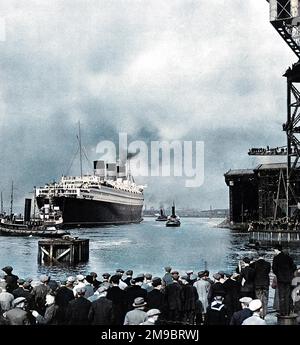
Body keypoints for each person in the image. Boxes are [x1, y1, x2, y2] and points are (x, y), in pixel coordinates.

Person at [272, 244, 297, 316]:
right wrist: (289, 274)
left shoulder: (276, 258)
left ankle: (282, 313)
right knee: (288, 296)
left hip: (281, 280)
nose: (274, 251)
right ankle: (288, 312)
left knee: (281, 296)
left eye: (274, 250)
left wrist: (279, 275)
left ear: (277, 249)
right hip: (289, 279)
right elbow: (293, 268)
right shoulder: (288, 257)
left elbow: (274, 269)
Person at [252, 252, 271, 318]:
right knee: (265, 300)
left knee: (258, 299)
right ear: (264, 257)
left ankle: (259, 314)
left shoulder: (254, 264)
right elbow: (268, 272)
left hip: (257, 284)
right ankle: (264, 314)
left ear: (258, 257)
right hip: (265, 283)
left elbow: (253, 273)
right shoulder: (268, 264)